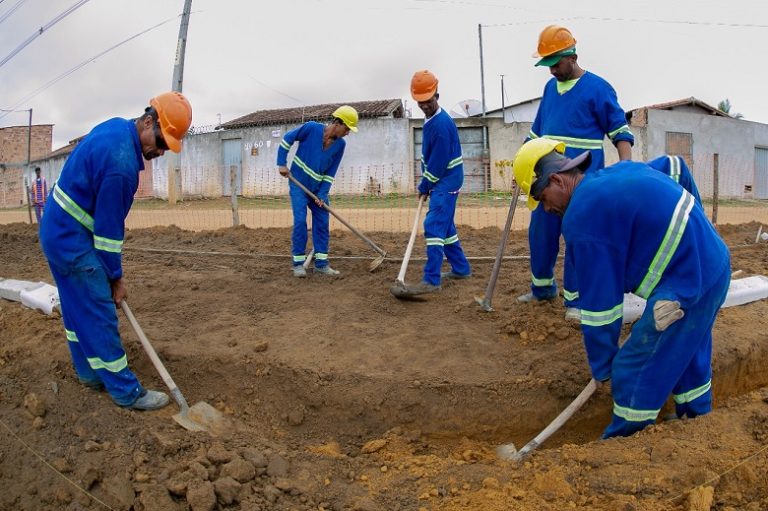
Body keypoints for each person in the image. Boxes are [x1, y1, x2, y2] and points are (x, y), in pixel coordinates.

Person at [512, 138, 730, 438]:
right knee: (686, 349)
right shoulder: (611, 175)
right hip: (715, 263)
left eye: (541, 196)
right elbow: (673, 166)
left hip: (687, 281)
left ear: (557, 180)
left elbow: (602, 306)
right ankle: (697, 419)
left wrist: (604, 366)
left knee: (633, 367)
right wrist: (702, 226)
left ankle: (623, 442)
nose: (546, 208)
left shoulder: (581, 216)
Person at [39, 92, 192, 411]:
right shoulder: (122, 166)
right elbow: (108, 236)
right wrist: (115, 279)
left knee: (75, 308)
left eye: (167, 147)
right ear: (148, 121)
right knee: (99, 311)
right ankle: (125, 390)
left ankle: (90, 373)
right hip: (71, 239)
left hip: (56, 228)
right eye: (161, 142)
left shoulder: (117, 129)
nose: (161, 152)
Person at [521, 25, 634, 318]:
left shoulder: (598, 89)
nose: (551, 71)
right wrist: (521, 164)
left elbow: (620, 131)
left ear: (573, 56)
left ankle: (576, 301)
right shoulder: (549, 89)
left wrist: (625, 166)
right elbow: (535, 135)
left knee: (579, 239)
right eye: (547, 65)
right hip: (548, 181)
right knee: (540, 234)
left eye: (555, 63)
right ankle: (542, 290)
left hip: (584, 184)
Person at [399, 70, 471, 297]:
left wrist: (424, 185)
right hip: (444, 179)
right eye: (420, 103)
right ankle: (461, 269)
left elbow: (439, 162)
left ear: (437, 96)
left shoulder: (440, 125)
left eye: (428, 101)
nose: (425, 106)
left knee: (433, 226)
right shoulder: (432, 120)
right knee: (445, 227)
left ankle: (431, 279)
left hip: (445, 180)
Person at [277, 106, 358, 277]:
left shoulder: (340, 145)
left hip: (317, 190)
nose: (348, 133)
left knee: (322, 223)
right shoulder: (311, 128)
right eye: (347, 129)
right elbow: (287, 139)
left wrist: (322, 194)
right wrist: (281, 163)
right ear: (338, 123)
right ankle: (298, 263)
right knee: (300, 222)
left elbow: (330, 173)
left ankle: (321, 263)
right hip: (298, 184)